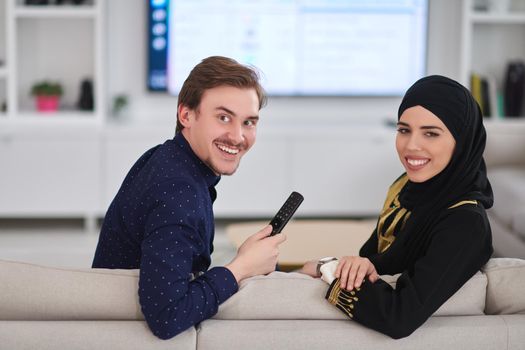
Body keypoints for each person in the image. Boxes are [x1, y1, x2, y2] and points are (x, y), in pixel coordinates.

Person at [92, 56, 286, 339]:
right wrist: (241, 267)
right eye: (223, 117)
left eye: (249, 122)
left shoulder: (166, 157)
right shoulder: (178, 193)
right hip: (122, 334)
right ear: (186, 115)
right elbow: (167, 316)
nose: (237, 136)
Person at [300, 75, 493, 339]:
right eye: (404, 130)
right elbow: (371, 255)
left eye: (431, 133)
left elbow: (399, 317)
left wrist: (328, 268)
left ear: (462, 140)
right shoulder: (407, 186)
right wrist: (364, 266)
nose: (411, 146)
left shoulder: (465, 224)